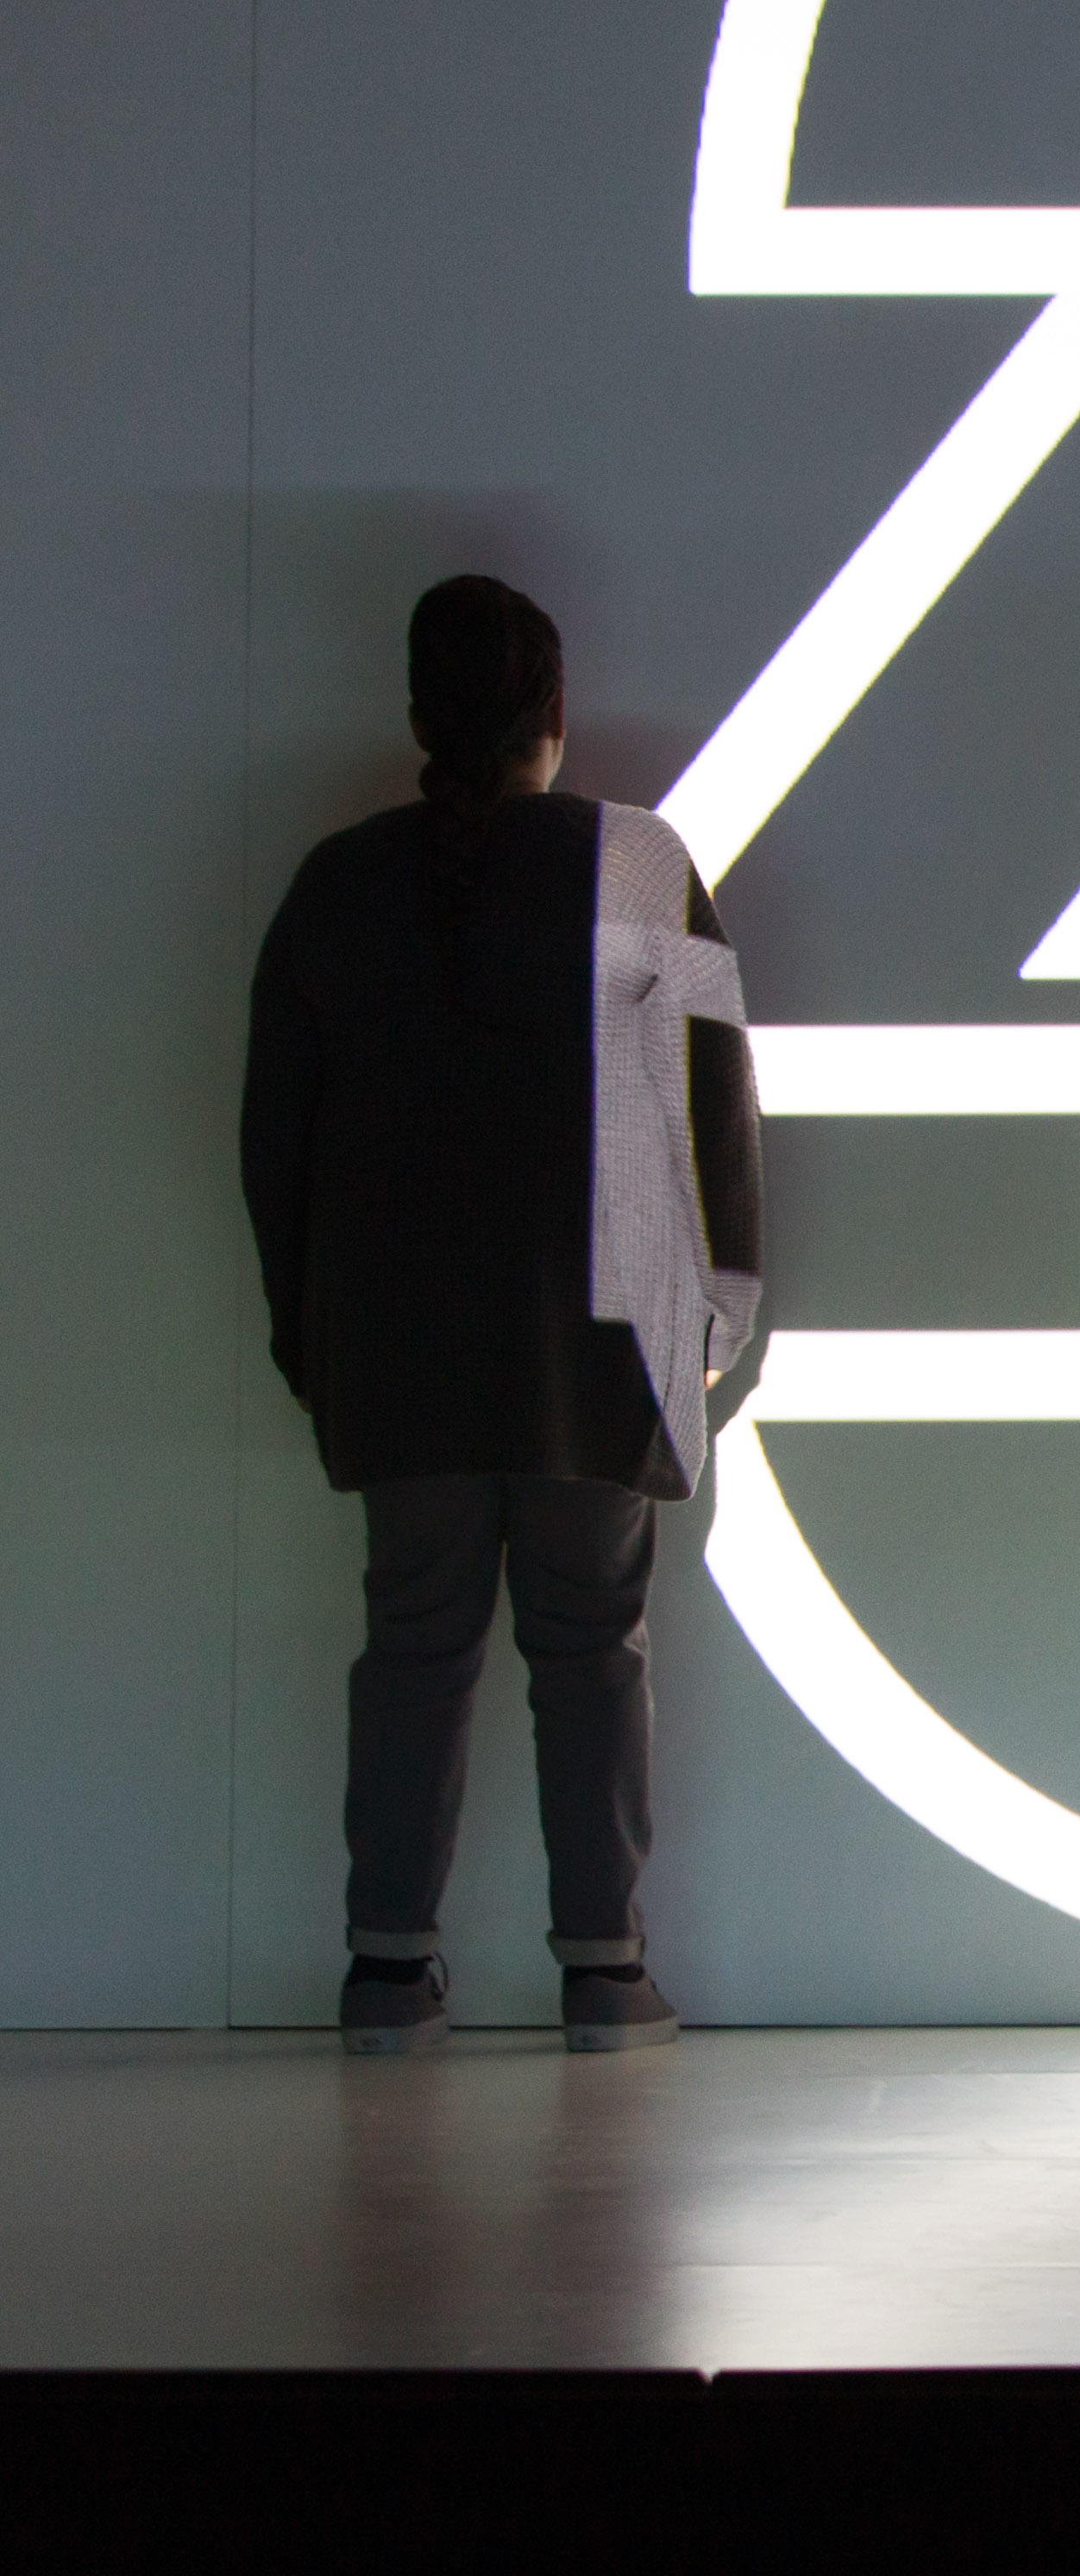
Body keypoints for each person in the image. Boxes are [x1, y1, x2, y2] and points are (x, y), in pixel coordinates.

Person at [242, 576, 757, 2057]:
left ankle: (387, 1972)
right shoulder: (640, 867)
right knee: (593, 1644)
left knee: (413, 1643)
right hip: (594, 1346)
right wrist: (712, 1324)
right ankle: (604, 1971)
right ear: (554, 714)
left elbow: (274, 1142)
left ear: (416, 715)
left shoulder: (335, 885)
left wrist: (308, 1334)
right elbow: (713, 1116)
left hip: (393, 1345)